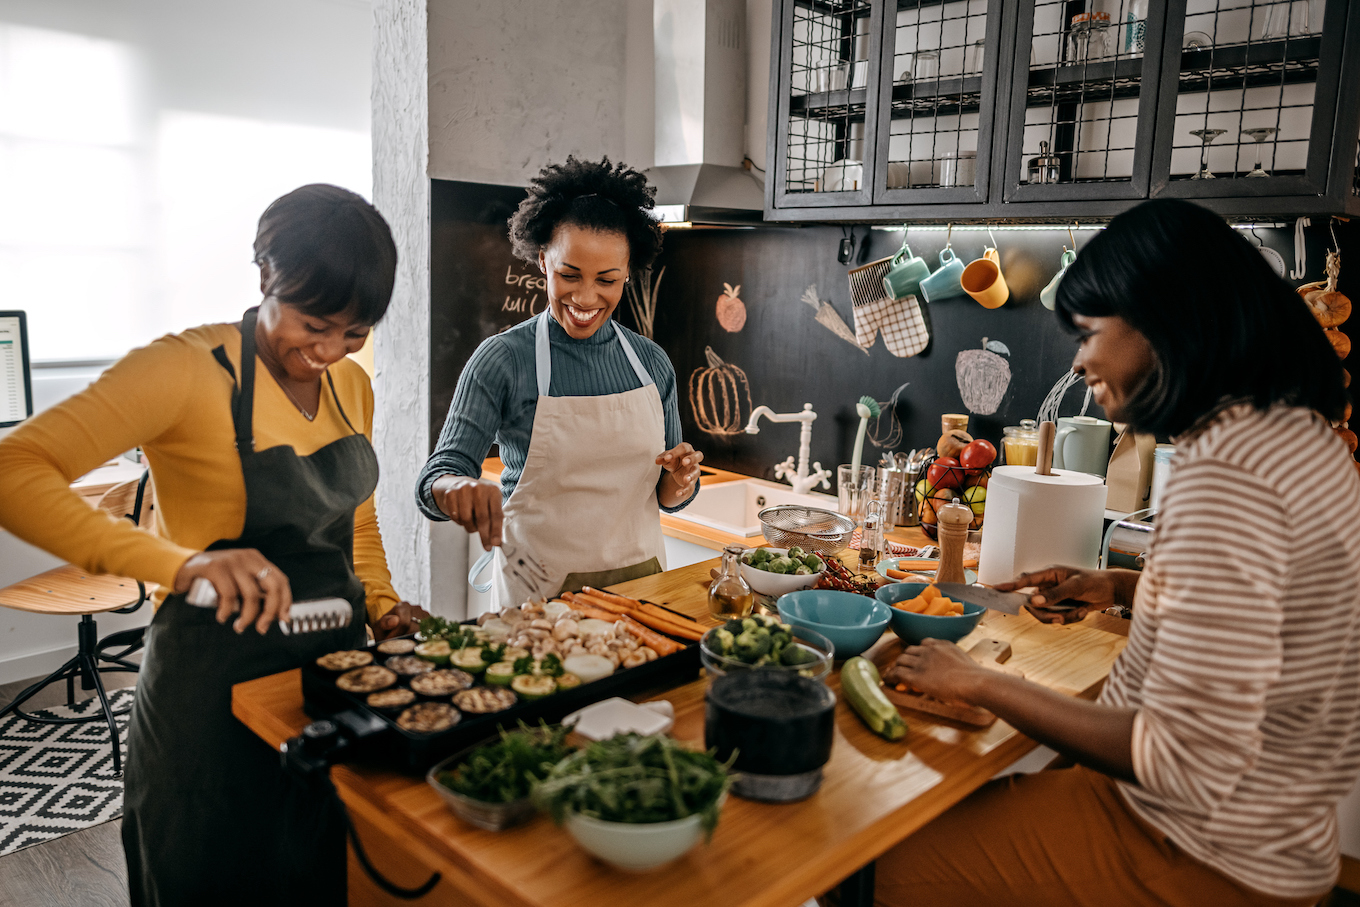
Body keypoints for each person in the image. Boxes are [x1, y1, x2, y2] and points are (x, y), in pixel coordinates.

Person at [879, 199, 1360, 907]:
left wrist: (979, 681)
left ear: (1165, 323)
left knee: (870, 870)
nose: (1080, 359)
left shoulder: (1230, 469)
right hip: (1273, 834)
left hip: (1197, 849)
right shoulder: (1292, 435)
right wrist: (1122, 586)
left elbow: (1182, 758)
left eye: (1091, 332)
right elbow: (1270, 615)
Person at [0, 184, 428, 906]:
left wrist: (382, 605)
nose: (328, 350)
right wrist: (181, 563)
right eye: (315, 322)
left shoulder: (351, 384)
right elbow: (15, 470)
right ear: (267, 277)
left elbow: (354, 520)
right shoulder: (184, 368)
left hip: (327, 678)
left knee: (312, 873)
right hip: (209, 693)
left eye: (353, 332)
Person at [416, 156, 702, 608]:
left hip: (640, 596)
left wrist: (682, 479)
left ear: (627, 273)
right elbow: (434, 479)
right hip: (538, 602)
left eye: (607, 280)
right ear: (543, 261)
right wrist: (455, 488)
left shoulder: (651, 363)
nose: (586, 297)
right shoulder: (503, 360)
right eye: (569, 275)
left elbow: (667, 496)